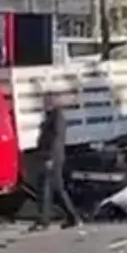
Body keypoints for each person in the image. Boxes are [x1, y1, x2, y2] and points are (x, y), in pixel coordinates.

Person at [29, 94, 83, 231]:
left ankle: (43, 221)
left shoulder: (57, 117)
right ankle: (73, 217)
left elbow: (56, 140)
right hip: (51, 157)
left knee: (45, 189)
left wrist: (50, 157)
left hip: (53, 157)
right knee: (58, 189)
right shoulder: (51, 116)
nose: (43, 104)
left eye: (46, 102)